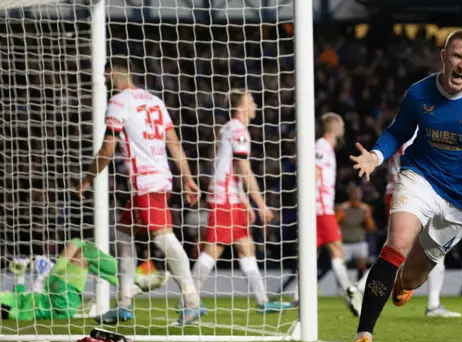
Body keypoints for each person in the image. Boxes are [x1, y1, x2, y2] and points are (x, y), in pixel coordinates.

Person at [347, 29, 462, 342]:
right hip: (419, 178)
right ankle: (364, 335)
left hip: (461, 200)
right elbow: (397, 132)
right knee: (396, 245)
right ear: (443, 56)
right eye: (456, 56)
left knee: (410, 280)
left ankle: (403, 284)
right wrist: (375, 157)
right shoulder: (419, 93)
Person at [78, 59, 202, 326]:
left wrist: (88, 177)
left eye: (105, 75)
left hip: (145, 182)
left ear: (113, 74)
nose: (103, 81)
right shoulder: (155, 100)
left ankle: (191, 302)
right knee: (123, 235)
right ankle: (123, 305)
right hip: (156, 180)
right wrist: (188, 179)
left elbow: (107, 150)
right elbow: (174, 144)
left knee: (164, 239)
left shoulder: (119, 102)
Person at [189, 89, 291, 313]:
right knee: (213, 250)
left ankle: (263, 301)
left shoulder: (231, 128)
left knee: (246, 247)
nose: (255, 104)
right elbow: (244, 171)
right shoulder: (237, 129)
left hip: (229, 195)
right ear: (241, 106)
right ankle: (189, 300)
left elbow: (231, 169)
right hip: (225, 197)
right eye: (251, 100)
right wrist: (261, 203)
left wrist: (244, 202)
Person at [380, 132, 462, 318]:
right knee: (426, 247)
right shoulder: (417, 136)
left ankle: (362, 289)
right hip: (413, 193)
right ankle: (433, 305)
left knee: (402, 249)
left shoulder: (399, 134)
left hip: (398, 192)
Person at [0, 239, 164, 321]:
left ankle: (128, 285)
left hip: (51, 289)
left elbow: (19, 297)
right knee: (86, 253)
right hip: (59, 302)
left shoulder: (7, 299)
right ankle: (138, 278)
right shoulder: (6, 308)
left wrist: (20, 275)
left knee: (76, 242)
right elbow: (17, 314)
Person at [315, 113, 362, 317]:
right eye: (342, 124)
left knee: (313, 253)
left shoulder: (327, 148)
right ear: (334, 126)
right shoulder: (322, 147)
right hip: (320, 209)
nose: (343, 128)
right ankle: (349, 291)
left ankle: (297, 296)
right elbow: (313, 175)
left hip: (320, 208)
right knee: (336, 248)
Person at [336, 182, 376, 281]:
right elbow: (336, 223)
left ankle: (359, 283)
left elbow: (371, 228)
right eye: (354, 194)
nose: (356, 197)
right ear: (350, 195)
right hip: (345, 242)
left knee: (361, 262)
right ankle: (345, 285)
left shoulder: (365, 209)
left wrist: (367, 216)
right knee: (342, 265)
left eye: (358, 194)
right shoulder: (343, 208)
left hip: (359, 240)